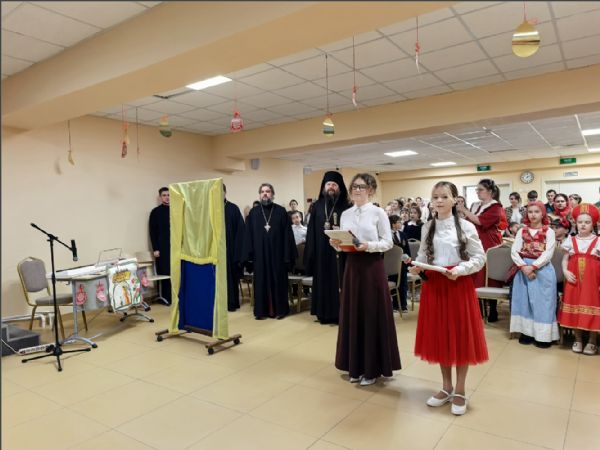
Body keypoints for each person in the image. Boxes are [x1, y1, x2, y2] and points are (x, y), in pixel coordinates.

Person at [410, 181, 487, 416]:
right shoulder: (428, 226)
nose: (439, 201)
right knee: (441, 336)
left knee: (460, 337)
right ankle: (446, 387)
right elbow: (423, 255)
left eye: (444, 196)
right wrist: (417, 267)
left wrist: (461, 270)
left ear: (455, 199)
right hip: (435, 285)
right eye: (435, 197)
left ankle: (460, 390)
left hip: (458, 284)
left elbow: (479, 257)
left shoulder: (466, 226)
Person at [330, 173, 401, 386]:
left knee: (371, 313)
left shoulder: (378, 213)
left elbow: (388, 243)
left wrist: (368, 246)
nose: (357, 190)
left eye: (361, 187)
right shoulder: (346, 214)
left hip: (372, 267)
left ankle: (372, 369)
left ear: (370, 190)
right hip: (352, 267)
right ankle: (355, 366)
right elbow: (345, 242)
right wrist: (337, 244)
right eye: (354, 187)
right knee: (353, 313)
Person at [243, 183, 297, 320]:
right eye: (262, 192)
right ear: (260, 194)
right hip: (260, 256)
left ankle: (281, 310)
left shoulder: (281, 211)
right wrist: (249, 256)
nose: (265, 194)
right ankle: (261, 311)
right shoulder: (254, 213)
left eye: (268, 191)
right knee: (261, 282)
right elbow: (248, 236)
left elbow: (287, 235)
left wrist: (287, 256)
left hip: (277, 255)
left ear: (272, 194)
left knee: (278, 281)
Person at [304, 171, 351, 324]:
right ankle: (323, 314)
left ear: (339, 187)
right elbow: (311, 232)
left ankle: (340, 314)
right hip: (320, 253)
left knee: (338, 281)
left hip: (340, 253)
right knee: (323, 282)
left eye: (334, 185)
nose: (331, 187)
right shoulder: (317, 206)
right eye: (328, 184)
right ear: (324, 187)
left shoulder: (347, 206)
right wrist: (311, 254)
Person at [509, 201, 558, 348]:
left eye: (537, 212)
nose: (533, 215)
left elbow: (548, 253)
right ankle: (527, 333)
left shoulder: (549, 231)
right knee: (524, 301)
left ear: (542, 214)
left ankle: (543, 336)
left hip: (542, 270)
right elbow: (514, 251)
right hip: (523, 269)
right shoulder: (522, 231)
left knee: (543, 303)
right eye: (530, 212)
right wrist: (524, 267)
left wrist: (533, 266)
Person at [458, 179, 504, 322]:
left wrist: (464, 210)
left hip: (488, 243)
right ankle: (477, 308)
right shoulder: (475, 205)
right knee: (475, 274)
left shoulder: (496, 206)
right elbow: (469, 221)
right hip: (473, 242)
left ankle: (493, 309)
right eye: (477, 190)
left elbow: (480, 222)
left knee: (489, 276)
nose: (478, 192)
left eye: (481, 190)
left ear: (490, 191)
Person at [558, 204, 600, 355]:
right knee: (575, 307)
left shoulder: (597, 241)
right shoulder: (571, 240)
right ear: (575, 223)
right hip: (573, 279)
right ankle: (578, 339)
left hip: (592, 281)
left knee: (592, 306)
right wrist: (565, 271)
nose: (583, 225)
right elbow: (565, 259)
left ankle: (592, 341)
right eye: (580, 222)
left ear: (593, 224)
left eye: (587, 222)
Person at [223, 184, 245, 312]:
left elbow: (241, 232)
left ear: (225, 192)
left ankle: (231, 303)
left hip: (231, 251)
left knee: (231, 278)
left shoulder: (233, 208)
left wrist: (238, 252)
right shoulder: (210, 208)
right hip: (215, 252)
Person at [149, 187, 171, 305]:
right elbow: (152, 232)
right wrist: (155, 248)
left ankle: (177, 295)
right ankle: (166, 297)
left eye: (168, 195)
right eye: (164, 195)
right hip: (162, 248)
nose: (167, 197)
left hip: (176, 247)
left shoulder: (176, 210)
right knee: (164, 271)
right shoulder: (155, 212)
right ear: (160, 197)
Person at [389, 214, 410, 313]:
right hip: (391, 264)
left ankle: (403, 305)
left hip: (402, 264)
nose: (401, 224)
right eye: (398, 222)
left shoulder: (402, 235)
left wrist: (408, 258)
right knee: (394, 283)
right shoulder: (387, 235)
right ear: (393, 224)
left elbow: (407, 249)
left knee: (403, 284)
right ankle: (395, 305)